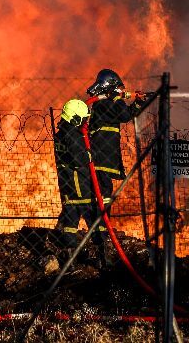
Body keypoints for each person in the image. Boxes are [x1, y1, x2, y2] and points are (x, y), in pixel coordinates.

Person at [84, 68, 154, 216]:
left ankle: (101, 228)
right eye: (119, 88)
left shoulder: (108, 103)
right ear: (111, 87)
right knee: (103, 193)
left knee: (104, 192)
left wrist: (137, 102)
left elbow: (127, 114)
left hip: (103, 157)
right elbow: (123, 114)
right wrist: (117, 97)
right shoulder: (104, 104)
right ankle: (100, 228)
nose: (122, 91)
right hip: (100, 157)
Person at [52, 98, 105, 250]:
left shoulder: (61, 134)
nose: (85, 122)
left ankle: (70, 254)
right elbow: (80, 159)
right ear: (75, 118)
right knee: (95, 221)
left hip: (68, 186)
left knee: (70, 223)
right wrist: (91, 153)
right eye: (83, 119)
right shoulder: (72, 136)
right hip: (81, 187)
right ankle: (102, 254)